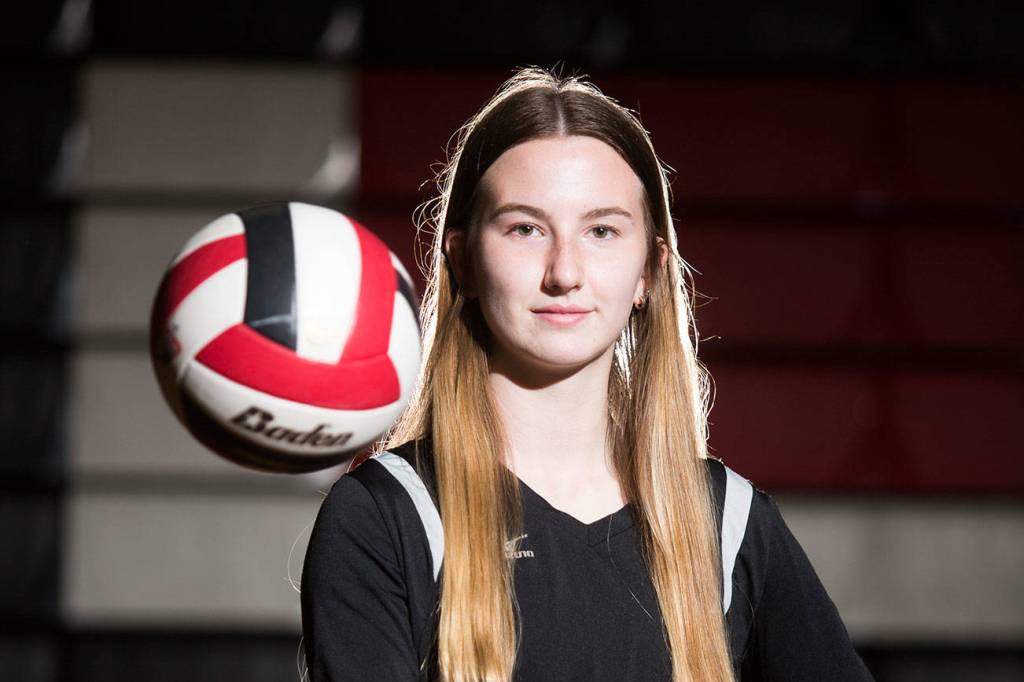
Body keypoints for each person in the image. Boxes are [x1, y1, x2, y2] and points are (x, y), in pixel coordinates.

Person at [300, 66, 875, 682]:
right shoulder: (387, 518)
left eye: (601, 231)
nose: (565, 272)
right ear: (462, 260)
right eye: (525, 229)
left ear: (649, 271)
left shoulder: (728, 522)